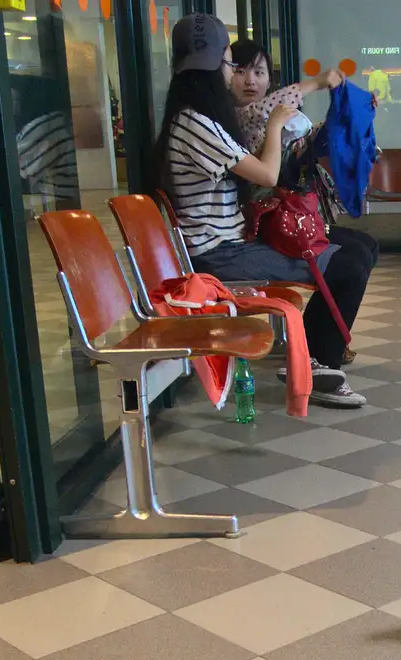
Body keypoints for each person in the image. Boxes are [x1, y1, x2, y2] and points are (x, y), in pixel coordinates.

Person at [150, 14, 372, 408]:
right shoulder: (197, 123)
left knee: (358, 247)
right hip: (220, 253)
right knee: (348, 265)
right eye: (231, 66)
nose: (239, 77)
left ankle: (313, 355)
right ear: (216, 69)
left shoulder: (197, 118)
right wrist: (274, 127)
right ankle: (318, 362)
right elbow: (268, 174)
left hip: (237, 237)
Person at [228, 38, 380, 366]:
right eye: (240, 71)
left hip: (283, 220)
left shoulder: (272, 119)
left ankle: (317, 341)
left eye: (259, 72)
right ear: (226, 74)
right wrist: (317, 82)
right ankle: (320, 355)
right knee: (351, 263)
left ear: (270, 79)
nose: (251, 80)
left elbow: (307, 147)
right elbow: (266, 111)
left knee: (366, 246)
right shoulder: (236, 118)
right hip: (260, 227)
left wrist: (355, 116)